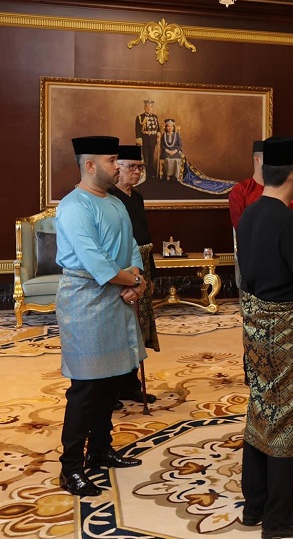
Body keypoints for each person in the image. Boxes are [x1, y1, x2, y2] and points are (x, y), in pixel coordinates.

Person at [236, 137, 293, 538]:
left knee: (261, 410)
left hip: (255, 328)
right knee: (288, 421)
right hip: (289, 332)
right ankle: (279, 518)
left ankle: (254, 505)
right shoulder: (291, 222)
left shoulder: (250, 215)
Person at [55, 136, 147, 497]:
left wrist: (137, 283)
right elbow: (97, 264)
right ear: (90, 165)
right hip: (84, 301)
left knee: (113, 380)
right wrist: (132, 280)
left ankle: (100, 450)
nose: (118, 165)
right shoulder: (74, 206)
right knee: (86, 387)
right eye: (112, 160)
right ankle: (71, 467)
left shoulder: (116, 203)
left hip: (118, 301)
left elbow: (133, 248)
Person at [108, 144, 158, 406]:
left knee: (138, 331)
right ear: (117, 168)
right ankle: (112, 389)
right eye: (132, 167)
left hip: (143, 268)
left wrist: (152, 275)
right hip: (123, 271)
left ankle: (130, 386)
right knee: (120, 331)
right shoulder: (108, 197)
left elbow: (145, 237)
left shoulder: (137, 197)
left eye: (140, 167)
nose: (137, 172)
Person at [230, 140, 293, 285]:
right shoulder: (241, 190)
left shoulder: (286, 192)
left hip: (285, 255)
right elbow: (241, 227)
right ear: (257, 159)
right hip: (253, 255)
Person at [134, 100, 160, 178]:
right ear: (144, 108)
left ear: (152, 108)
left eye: (150, 107)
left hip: (153, 140)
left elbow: (158, 127)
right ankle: (143, 173)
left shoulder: (155, 117)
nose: (148, 108)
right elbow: (138, 129)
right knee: (144, 157)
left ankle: (150, 173)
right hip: (144, 140)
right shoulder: (140, 117)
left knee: (151, 157)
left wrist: (158, 132)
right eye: (147, 107)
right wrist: (139, 139)